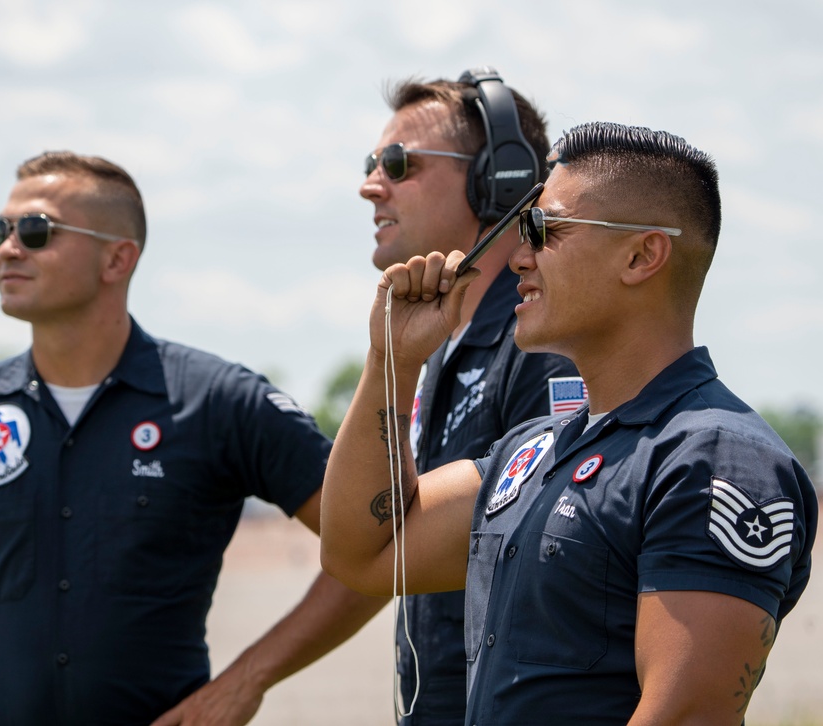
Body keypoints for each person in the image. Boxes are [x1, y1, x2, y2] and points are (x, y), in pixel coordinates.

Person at [0, 151, 385, 726]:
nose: (8, 249)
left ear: (118, 258)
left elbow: (378, 548)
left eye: (36, 231)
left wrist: (249, 679)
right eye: (0, 230)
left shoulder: (219, 403)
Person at [320, 121, 818, 724]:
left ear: (641, 255)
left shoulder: (713, 456)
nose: (518, 257)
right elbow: (363, 554)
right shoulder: (531, 451)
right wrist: (390, 365)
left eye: (542, 229)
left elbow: (688, 714)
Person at [358, 67, 579, 724]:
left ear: (498, 179)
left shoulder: (541, 346)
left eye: (398, 163)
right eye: (371, 162)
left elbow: (553, 566)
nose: (371, 184)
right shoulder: (441, 348)